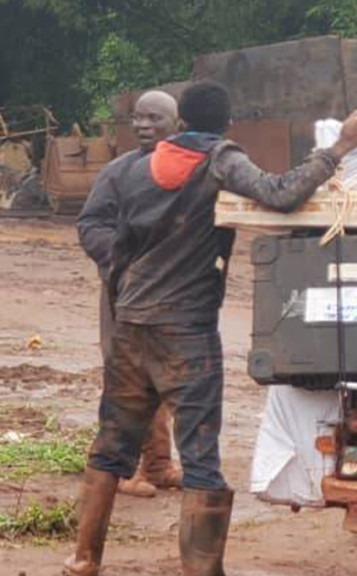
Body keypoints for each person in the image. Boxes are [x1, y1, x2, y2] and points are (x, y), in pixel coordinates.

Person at [63, 80, 357, 576]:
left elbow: (105, 232)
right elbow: (283, 193)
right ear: (226, 124)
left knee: (111, 444)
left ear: (180, 122)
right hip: (186, 334)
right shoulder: (220, 159)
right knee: (201, 455)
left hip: (131, 326)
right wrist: (340, 146)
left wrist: (119, 275)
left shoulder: (135, 168)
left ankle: (82, 560)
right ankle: (201, 571)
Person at [76, 90, 183, 499]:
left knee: (163, 375)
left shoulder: (191, 172)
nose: (142, 125)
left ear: (178, 124)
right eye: (137, 118)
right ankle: (117, 470)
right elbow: (90, 225)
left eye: (154, 118)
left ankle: (156, 465)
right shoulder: (118, 172)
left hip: (173, 293)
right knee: (124, 376)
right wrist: (123, 263)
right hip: (125, 292)